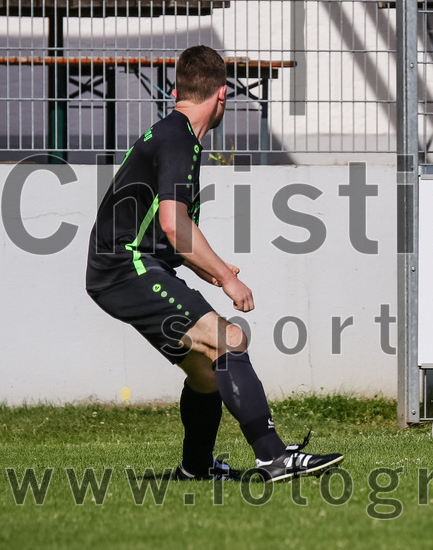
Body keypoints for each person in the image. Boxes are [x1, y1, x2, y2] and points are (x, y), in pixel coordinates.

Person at [86, 45, 344, 481]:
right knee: (230, 339)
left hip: (121, 269)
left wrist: (207, 269)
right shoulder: (180, 140)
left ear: (176, 92)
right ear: (222, 94)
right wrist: (225, 277)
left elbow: (162, 229)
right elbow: (174, 225)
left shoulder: (170, 133)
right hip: (126, 268)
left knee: (206, 371)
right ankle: (274, 456)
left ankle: (196, 467)